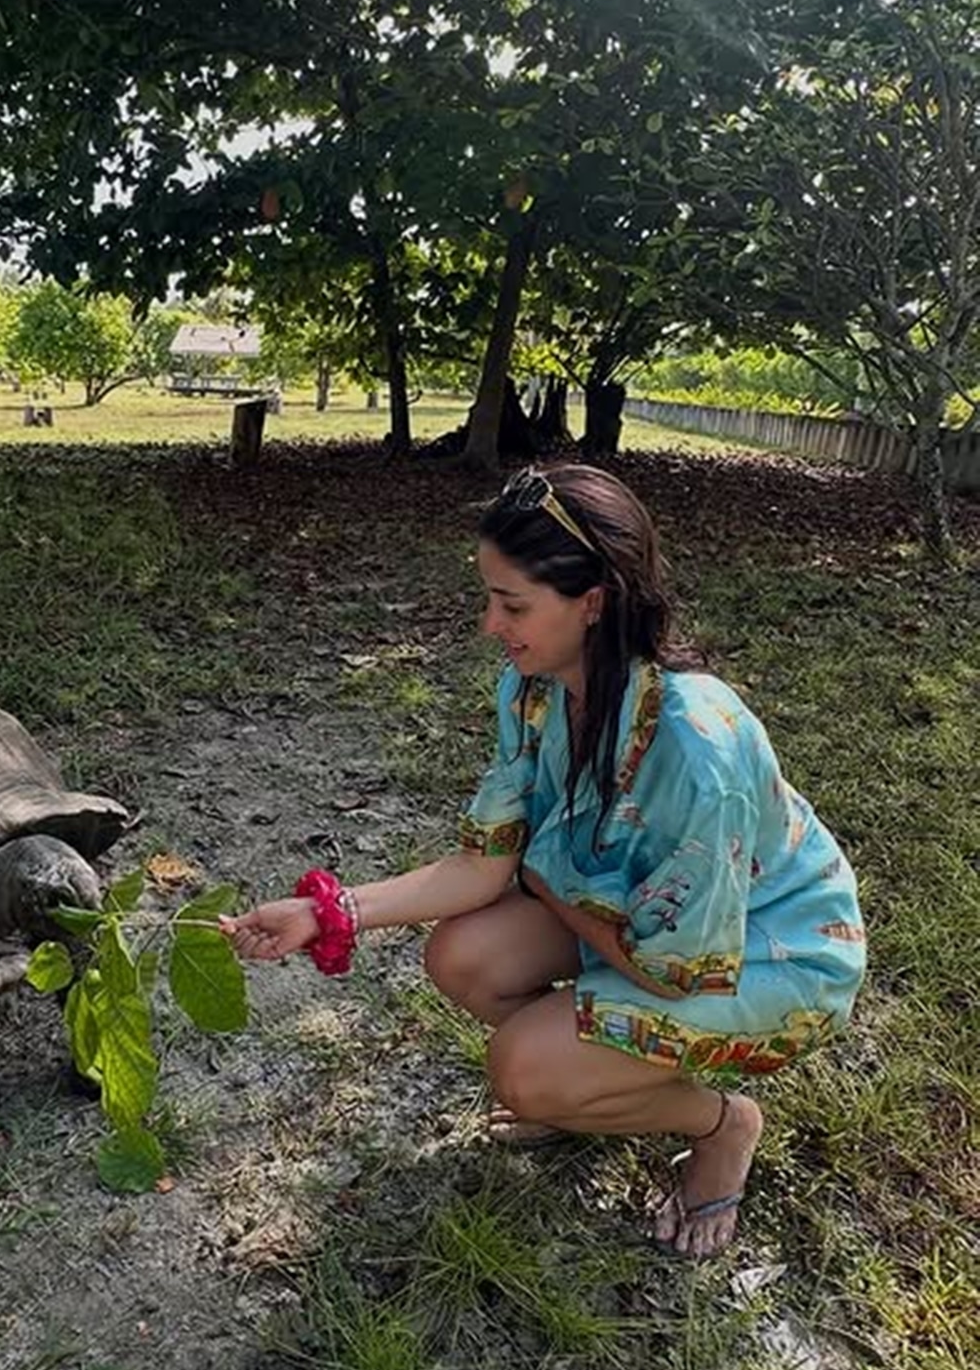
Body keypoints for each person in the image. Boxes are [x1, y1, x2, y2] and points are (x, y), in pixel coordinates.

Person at [222, 465, 865, 1257]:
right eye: (490, 597)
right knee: (461, 955)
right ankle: (598, 1084)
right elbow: (484, 867)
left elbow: (677, 970)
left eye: (512, 604)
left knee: (523, 1068)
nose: (491, 624)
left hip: (766, 951)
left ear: (593, 600)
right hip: (621, 912)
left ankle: (721, 1123)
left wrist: (550, 892)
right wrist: (325, 913)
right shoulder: (534, 692)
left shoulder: (698, 748)